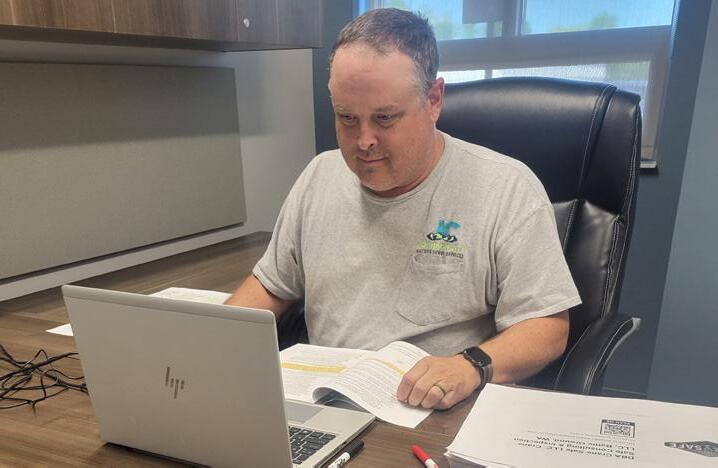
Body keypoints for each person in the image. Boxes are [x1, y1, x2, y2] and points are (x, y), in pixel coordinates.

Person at [226, 8, 581, 410]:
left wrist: (470, 365)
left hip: (434, 410)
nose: (364, 141)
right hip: (326, 402)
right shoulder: (320, 176)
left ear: (434, 100)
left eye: (385, 118)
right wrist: (210, 337)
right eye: (347, 118)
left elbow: (547, 327)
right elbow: (272, 286)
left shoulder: (505, 187)